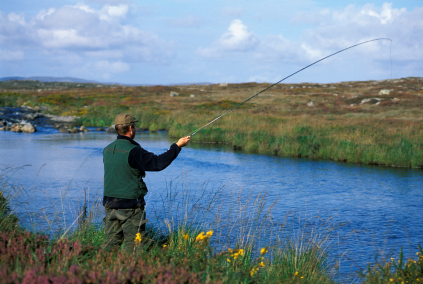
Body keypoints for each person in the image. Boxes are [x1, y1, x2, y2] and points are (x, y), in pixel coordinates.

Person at [102, 113, 190, 253]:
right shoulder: (134, 151)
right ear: (131, 128)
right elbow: (157, 164)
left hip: (109, 205)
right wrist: (177, 146)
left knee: (111, 243)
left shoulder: (107, 149)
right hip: (129, 206)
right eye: (135, 126)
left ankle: (100, 270)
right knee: (135, 247)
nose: (135, 129)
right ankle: (134, 273)